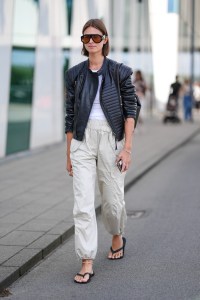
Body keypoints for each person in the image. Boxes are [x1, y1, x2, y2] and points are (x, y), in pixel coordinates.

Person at [65, 19, 140, 284]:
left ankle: (117, 233)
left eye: (96, 37)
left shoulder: (119, 71)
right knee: (82, 204)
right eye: (87, 38)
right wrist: (69, 153)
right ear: (83, 42)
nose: (92, 42)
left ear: (105, 40)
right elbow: (70, 116)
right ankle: (87, 260)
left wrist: (127, 149)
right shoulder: (74, 74)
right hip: (83, 141)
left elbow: (131, 109)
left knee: (112, 201)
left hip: (112, 139)